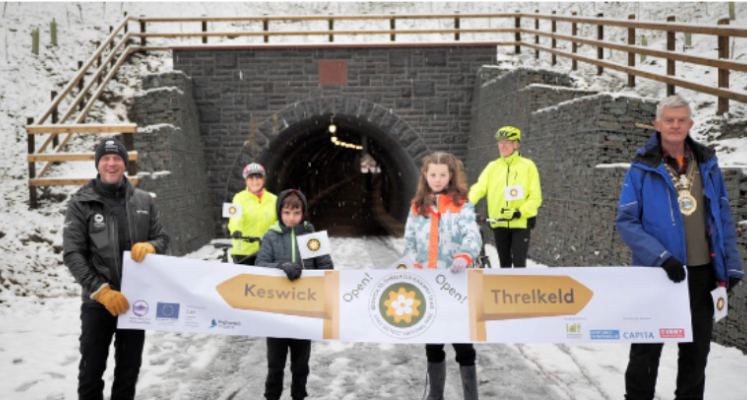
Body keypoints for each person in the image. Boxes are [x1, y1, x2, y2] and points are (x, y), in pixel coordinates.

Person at [615, 95, 743, 400]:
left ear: (690, 124)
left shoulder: (708, 164)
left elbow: (723, 215)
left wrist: (732, 265)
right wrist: (661, 258)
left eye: (681, 120)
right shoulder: (641, 168)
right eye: (669, 120)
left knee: (696, 357)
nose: (675, 125)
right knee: (645, 355)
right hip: (657, 275)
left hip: (702, 276)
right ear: (657, 125)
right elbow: (626, 221)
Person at [62, 138, 169, 400]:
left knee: (128, 374)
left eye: (117, 158)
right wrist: (100, 290)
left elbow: (163, 238)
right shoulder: (80, 203)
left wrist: (153, 246)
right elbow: (73, 253)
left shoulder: (144, 200)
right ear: (98, 163)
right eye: (106, 158)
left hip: (135, 304)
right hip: (98, 303)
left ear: (125, 164)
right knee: (90, 374)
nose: (112, 163)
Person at [403, 152, 482, 400]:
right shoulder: (417, 207)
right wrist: (412, 262)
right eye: (433, 174)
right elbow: (410, 242)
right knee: (434, 344)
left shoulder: (462, 205)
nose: (437, 179)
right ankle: (435, 395)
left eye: (442, 175)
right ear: (425, 176)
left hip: (455, 284)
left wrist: (465, 255)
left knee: (463, 344)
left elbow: (472, 234)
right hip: (428, 285)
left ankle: (471, 395)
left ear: (450, 177)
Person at [255, 189, 334, 400]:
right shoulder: (271, 236)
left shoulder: (311, 237)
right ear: (280, 212)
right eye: (287, 212)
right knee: (275, 365)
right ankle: (272, 396)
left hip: (304, 310)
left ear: (303, 213)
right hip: (276, 312)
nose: (291, 218)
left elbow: (326, 266)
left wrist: (310, 275)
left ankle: (299, 395)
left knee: (300, 366)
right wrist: (281, 266)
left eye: (296, 213)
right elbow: (260, 264)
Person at [468, 126, 542, 268]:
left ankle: (520, 290)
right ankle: (506, 291)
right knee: (504, 265)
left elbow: (535, 197)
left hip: (520, 223)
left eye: (507, 142)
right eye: (500, 142)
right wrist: (466, 204)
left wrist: (519, 212)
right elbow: (479, 187)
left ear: (516, 144)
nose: (502, 146)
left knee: (519, 264)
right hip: (499, 223)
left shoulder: (528, 166)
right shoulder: (492, 167)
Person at [228, 163, 277, 265]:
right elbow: (234, 218)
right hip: (243, 250)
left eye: (258, 178)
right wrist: (236, 229)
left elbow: (279, 221)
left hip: (267, 250)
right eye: (251, 178)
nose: (255, 181)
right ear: (246, 180)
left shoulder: (274, 199)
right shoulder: (238, 198)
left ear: (263, 180)